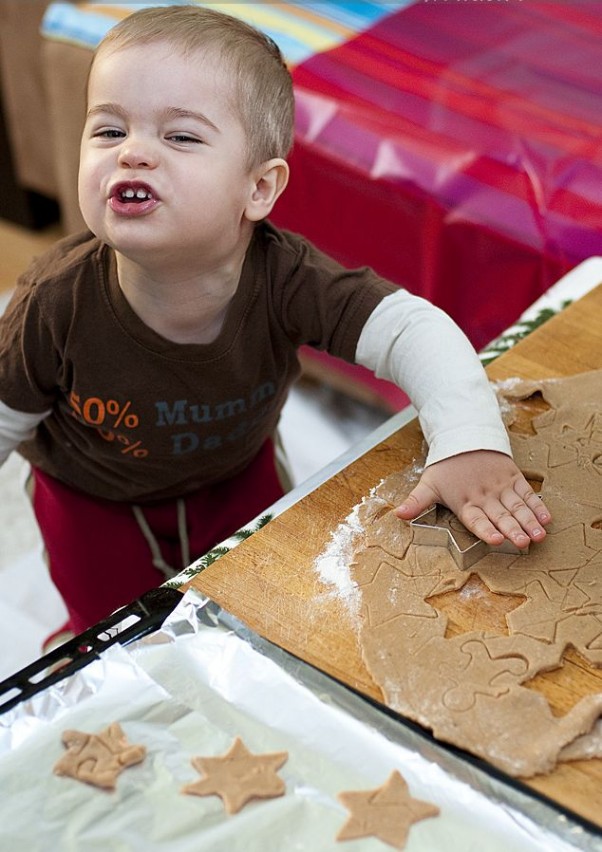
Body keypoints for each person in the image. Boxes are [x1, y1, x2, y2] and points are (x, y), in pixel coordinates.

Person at [0, 5, 551, 638]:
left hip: (238, 474)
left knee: (265, 602)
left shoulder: (287, 277)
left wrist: (468, 441)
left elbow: (412, 330)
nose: (134, 154)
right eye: (108, 131)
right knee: (117, 631)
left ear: (258, 190)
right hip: (91, 502)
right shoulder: (53, 302)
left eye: (180, 136)